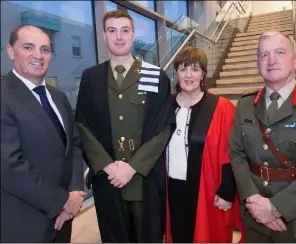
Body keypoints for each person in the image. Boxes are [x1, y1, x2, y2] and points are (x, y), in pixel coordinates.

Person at [75, 10, 172, 243]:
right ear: (104, 35)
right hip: (107, 179)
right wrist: (107, 166)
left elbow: (163, 126)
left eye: (125, 30)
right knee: (113, 237)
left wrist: (132, 167)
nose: (119, 36)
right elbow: (82, 124)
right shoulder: (91, 77)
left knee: (148, 236)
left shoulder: (155, 75)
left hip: (144, 179)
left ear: (133, 35)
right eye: (112, 30)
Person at [229, 31, 296, 242]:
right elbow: (237, 154)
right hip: (255, 220)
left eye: (279, 52)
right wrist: (253, 199)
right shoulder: (245, 105)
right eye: (264, 55)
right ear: (258, 63)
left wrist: (276, 207)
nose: (271, 61)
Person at [1, 25, 85, 243]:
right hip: (23, 223)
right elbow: (8, 166)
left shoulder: (58, 97)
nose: (38, 55)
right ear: (11, 51)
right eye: (28, 47)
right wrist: (62, 201)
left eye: (45, 49)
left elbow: (74, 146)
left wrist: (75, 192)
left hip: (63, 219)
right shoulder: (3, 96)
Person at [164, 47, 244, 243]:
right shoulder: (166, 105)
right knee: (177, 235)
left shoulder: (221, 107)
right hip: (171, 188)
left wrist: (227, 191)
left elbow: (231, 153)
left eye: (195, 69)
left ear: (203, 74)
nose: (189, 75)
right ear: (177, 73)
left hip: (207, 190)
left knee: (207, 236)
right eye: (183, 69)